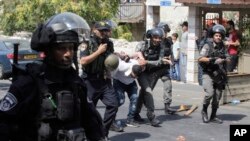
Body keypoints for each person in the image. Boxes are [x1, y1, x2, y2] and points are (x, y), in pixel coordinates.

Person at [0, 12, 106, 141]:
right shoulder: (29, 82)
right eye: (61, 48)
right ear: (49, 51)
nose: (68, 54)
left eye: (71, 48)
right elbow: (4, 122)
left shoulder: (75, 81)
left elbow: (91, 119)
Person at [80, 21, 121, 137]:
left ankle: (103, 134)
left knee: (113, 105)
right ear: (94, 30)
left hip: (104, 80)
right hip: (89, 81)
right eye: (101, 30)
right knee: (88, 111)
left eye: (105, 30)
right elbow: (83, 61)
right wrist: (98, 52)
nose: (104, 33)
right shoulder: (87, 42)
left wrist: (118, 57)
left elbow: (110, 59)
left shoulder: (109, 43)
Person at [134, 28, 172, 127]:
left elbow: (159, 62)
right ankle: (151, 115)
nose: (157, 40)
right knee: (148, 91)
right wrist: (142, 60)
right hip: (141, 72)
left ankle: (135, 113)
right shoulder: (142, 45)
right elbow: (137, 57)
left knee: (143, 93)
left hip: (153, 73)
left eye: (159, 38)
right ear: (150, 37)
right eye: (155, 37)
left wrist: (146, 62)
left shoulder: (162, 47)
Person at [198, 24, 231, 124]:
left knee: (217, 97)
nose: (218, 37)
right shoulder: (207, 45)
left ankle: (213, 116)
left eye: (220, 36)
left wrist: (224, 59)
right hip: (208, 73)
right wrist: (212, 59)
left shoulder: (223, 47)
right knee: (209, 94)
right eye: (216, 35)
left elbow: (229, 58)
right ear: (213, 36)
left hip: (219, 74)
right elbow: (200, 58)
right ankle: (204, 110)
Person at [111, 54, 144, 127]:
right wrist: (122, 55)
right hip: (119, 81)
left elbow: (140, 56)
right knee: (120, 101)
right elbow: (115, 57)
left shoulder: (140, 67)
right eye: (132, 75)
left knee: (135, 98)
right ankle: (111, 119)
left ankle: (130, 119)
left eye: (135, 77)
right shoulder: (122, 66)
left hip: (131, 83)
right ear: (131, 70)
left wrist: (140, 57)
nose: (133, 77)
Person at [157, 22, 176, 114]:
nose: (165, 33)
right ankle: (141, 104)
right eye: (164, 31)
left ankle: (167, 106)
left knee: (168, 85)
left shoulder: (168, 41)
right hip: (154, 68)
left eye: (166, 32)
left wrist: (172, 60)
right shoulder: (154, 40)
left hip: (164, 68)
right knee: (148, 89)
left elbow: (171, 52)